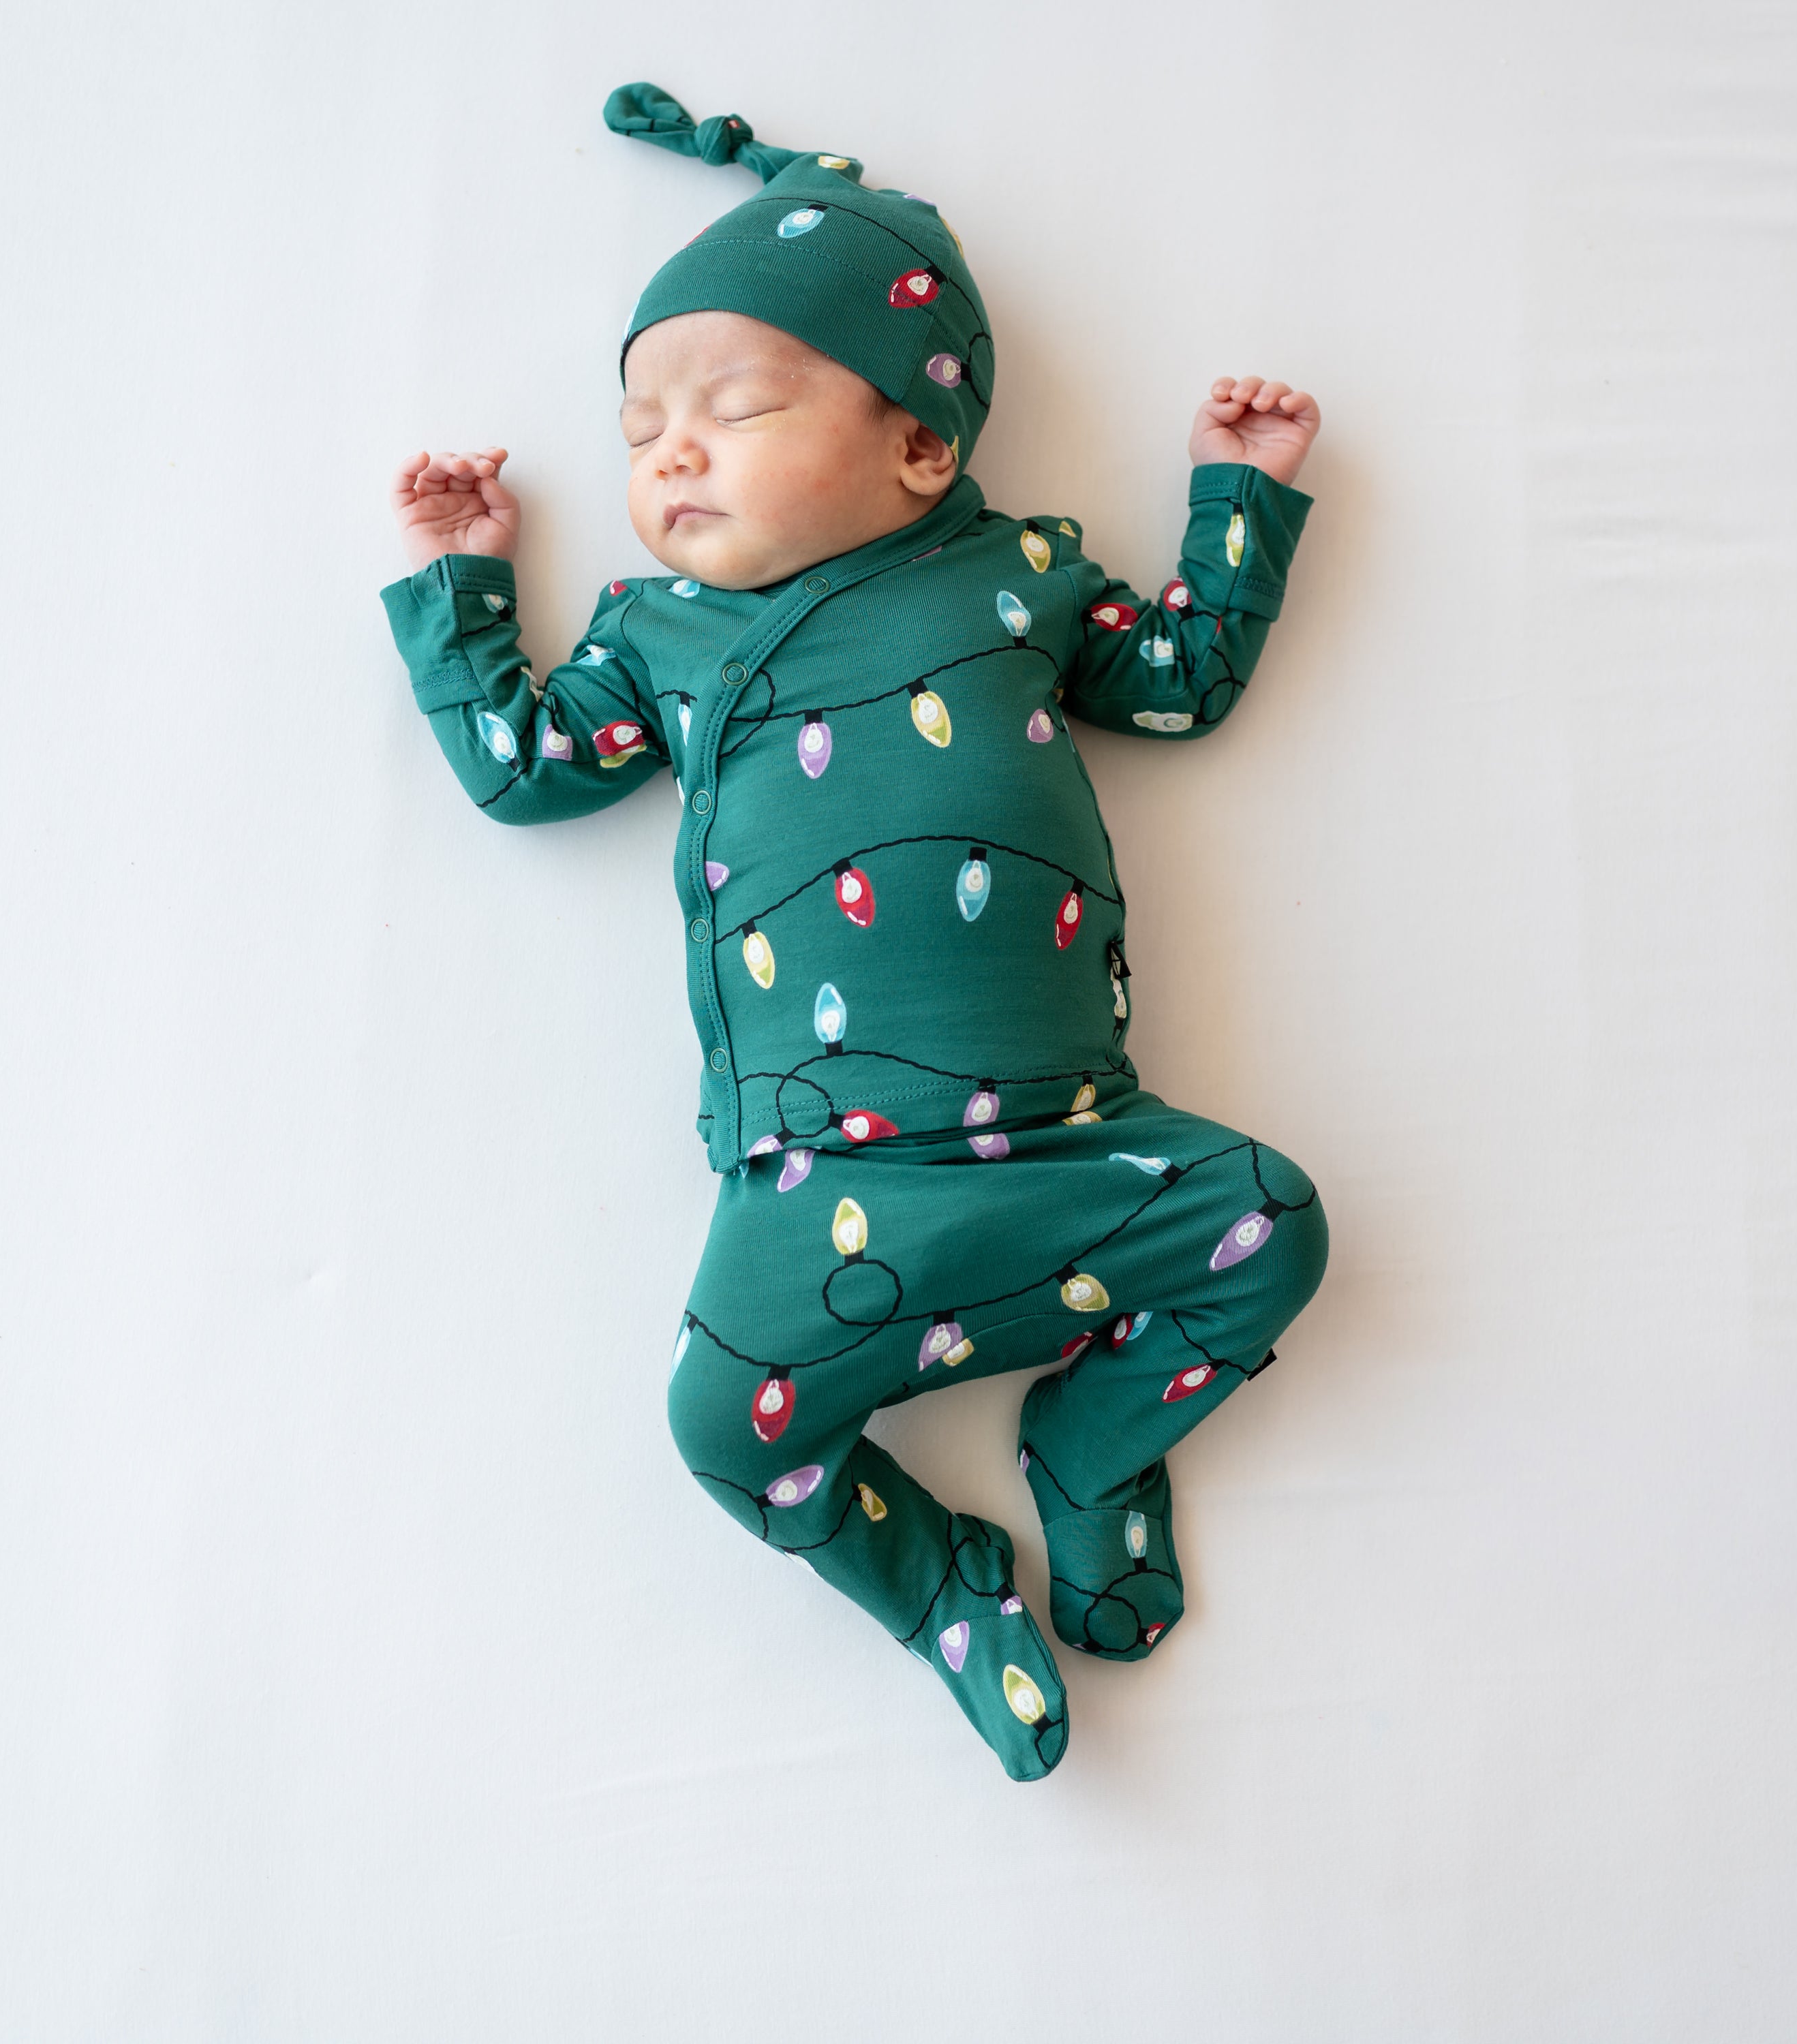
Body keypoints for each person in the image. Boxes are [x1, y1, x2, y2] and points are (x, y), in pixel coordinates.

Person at [382, 84, 1328, 1781]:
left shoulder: (1023, 576)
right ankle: (944, 1591)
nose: (668, 454)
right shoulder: (662, 634)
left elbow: (1178, 687)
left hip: (1079, 1147)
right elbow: (522, 772)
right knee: (720, 1435)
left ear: (919, 442)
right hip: (823, 1177)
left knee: (1274, 1224)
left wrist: (1233, 498)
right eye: (642, 429)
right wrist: (459, 578)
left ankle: (1094, 1448)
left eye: (733, 407)